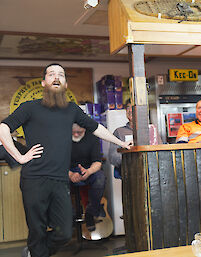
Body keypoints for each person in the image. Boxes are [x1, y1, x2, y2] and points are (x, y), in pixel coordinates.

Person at [0, 63, 132, 257]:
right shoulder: (29, 107)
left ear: (65, 84)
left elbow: (96, 128)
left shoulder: (71, 109)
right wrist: (19, 156)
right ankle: (36, 252)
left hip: (60, 181)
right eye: (51, 74)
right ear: (44, 82)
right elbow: (3, 127)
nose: (56, 77)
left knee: (64, 232)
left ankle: (36, 252)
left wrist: (120, 141)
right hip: (34, 179)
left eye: (60, 74)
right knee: (37, 231)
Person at [108, 99, 161, 178]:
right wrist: (130, 158)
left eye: (133, 107)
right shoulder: (119, 131)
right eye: (128, 107)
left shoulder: (151, 130)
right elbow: (113, 157)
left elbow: (160, 152)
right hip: (129, 174)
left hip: (151, 173)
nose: (130, 110)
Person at [69, 123, 106, 232]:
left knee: (100, 179)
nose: (76, 135)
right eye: (73, 132)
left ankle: (91, 212)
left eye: (79, 132)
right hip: (67, 171)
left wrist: (88, 172)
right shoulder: (63, 137)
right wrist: (70, 174)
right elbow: (57, 163)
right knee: (56, 182)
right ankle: (69, 216)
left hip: (89, 170)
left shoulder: (92, 138)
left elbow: (97, 163)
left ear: (84, 129)